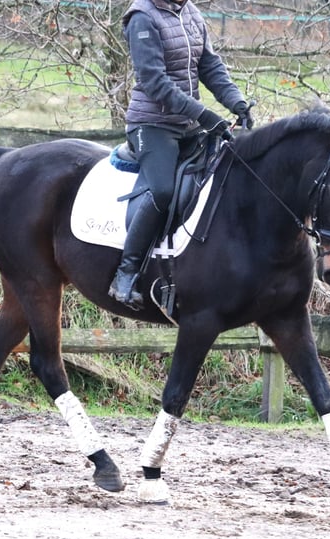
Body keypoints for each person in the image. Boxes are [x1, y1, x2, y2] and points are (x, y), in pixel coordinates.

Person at [108, 0, 254, 310]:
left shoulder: (190, 12)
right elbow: (154, 82)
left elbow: (210, 66)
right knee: (162, 190)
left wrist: (236, 102)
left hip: (188, 125)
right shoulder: (142, 17)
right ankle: (126, 272)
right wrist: (204, 115)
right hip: (151, 124)